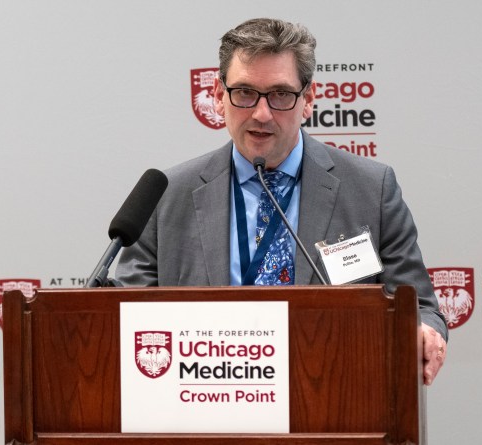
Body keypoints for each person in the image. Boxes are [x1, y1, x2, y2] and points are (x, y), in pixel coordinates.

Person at [115, 18, 447, 385]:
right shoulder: (167, 195)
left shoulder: (371, 188)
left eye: (280, 95)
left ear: (307, 100)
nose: (261, 113)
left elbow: (418, 307)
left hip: (332, 395)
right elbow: (125, 312)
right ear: (218, 94)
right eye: (244, 92)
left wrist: (423, 331)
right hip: (204, 395)